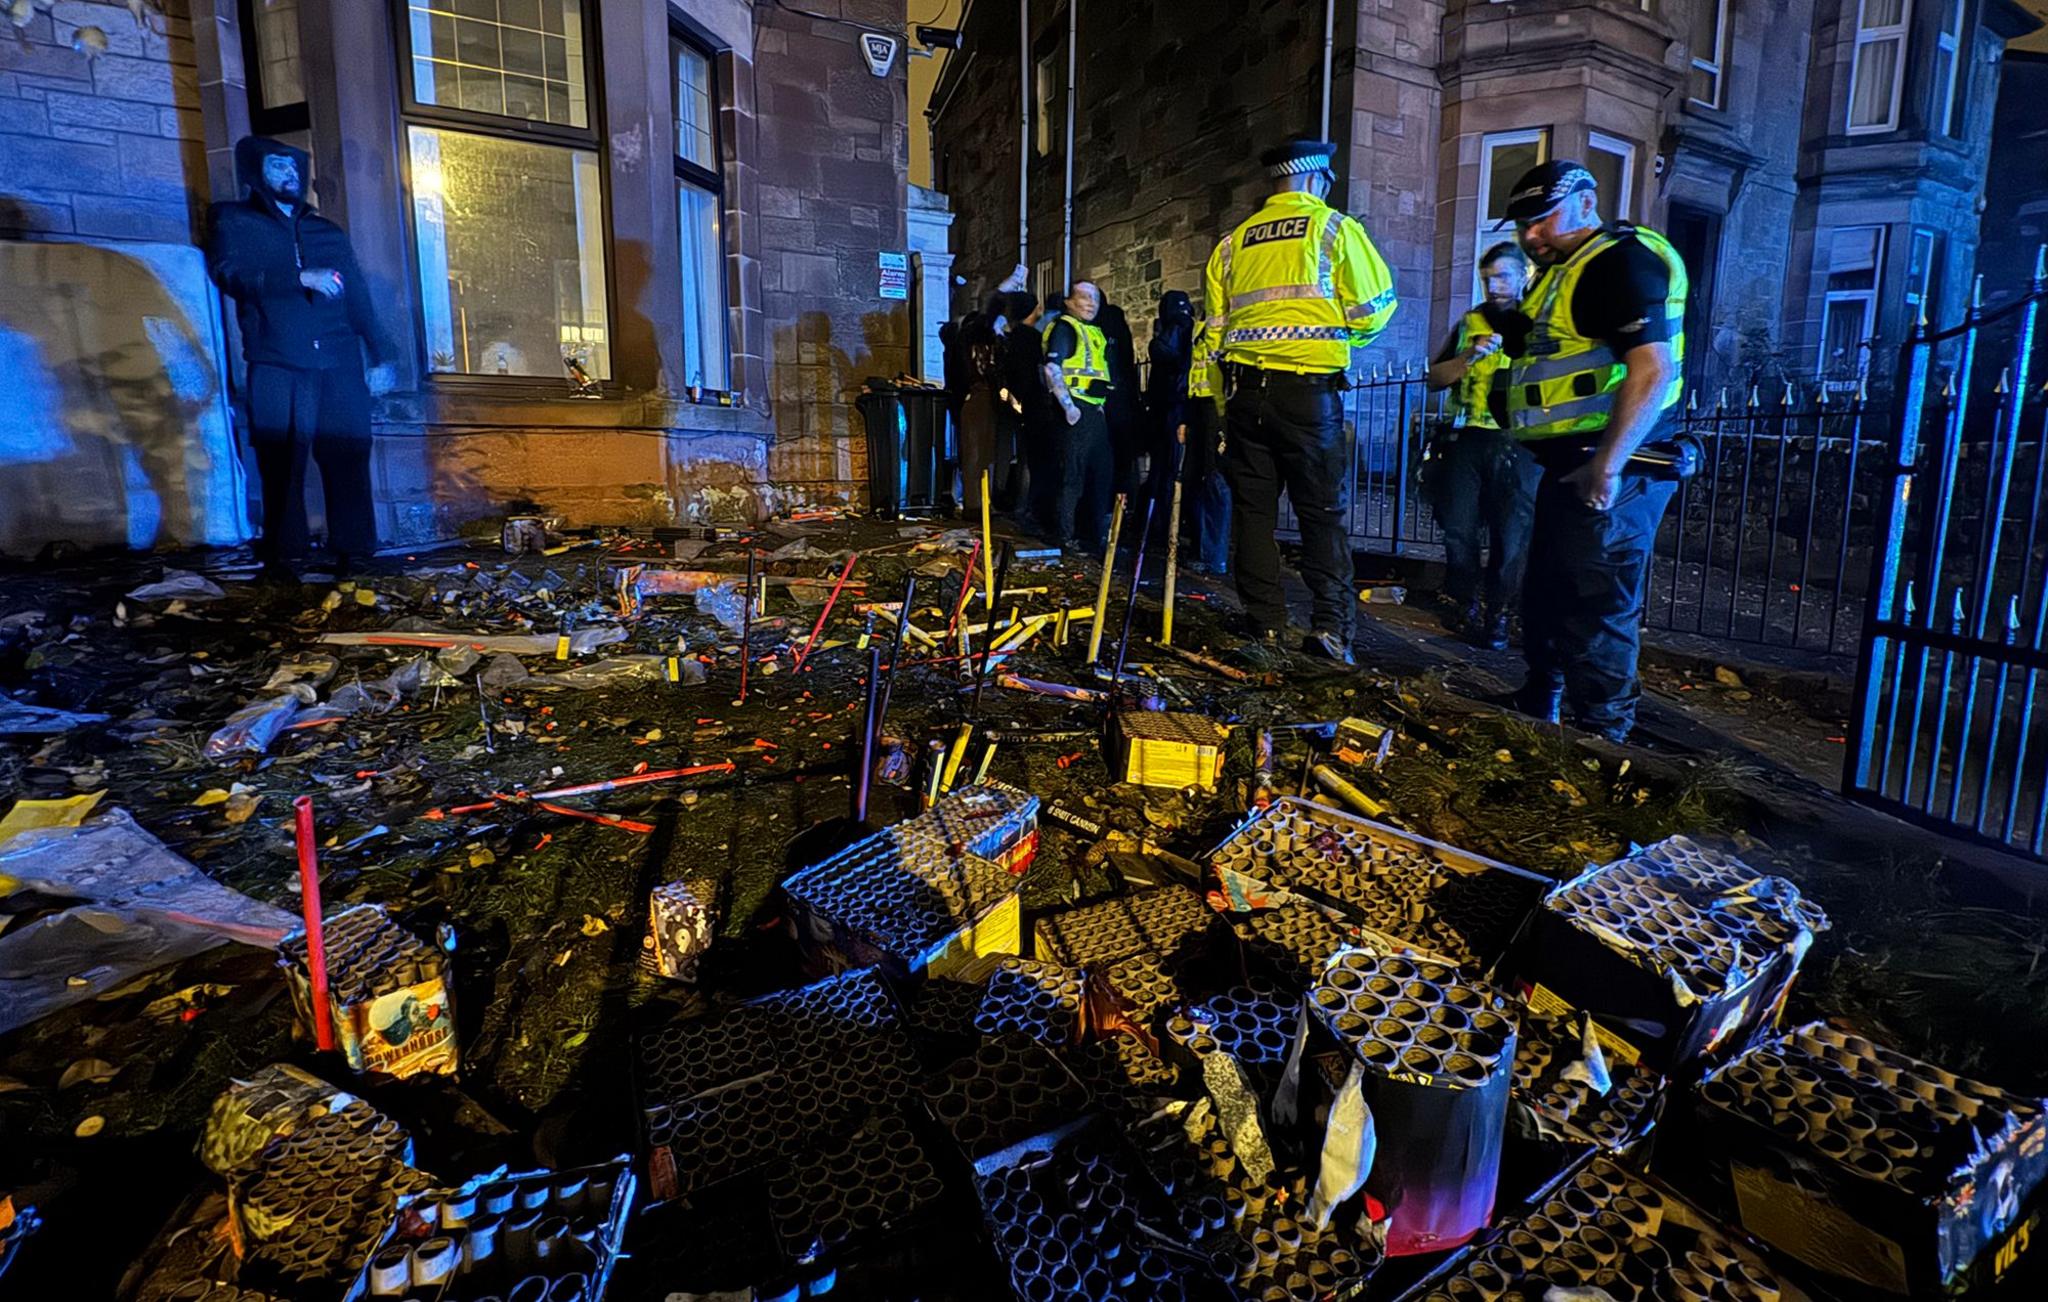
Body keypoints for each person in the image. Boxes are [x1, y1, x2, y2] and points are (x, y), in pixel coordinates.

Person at [1499, 160, 1690, 742]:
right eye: (1523, 225)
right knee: (1549, 592)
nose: (1531, 236)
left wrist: (1606, 466)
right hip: (1570, 463)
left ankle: (1602, 738)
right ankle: (1543, 704)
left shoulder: (1617, 262)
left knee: (1598, 603)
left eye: (1542, 220)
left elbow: (1651, 369)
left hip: (1616, 465)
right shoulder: (1565, 269)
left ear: (1586, 202)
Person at [1202, 138, 1398, 664]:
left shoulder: (1231, 244)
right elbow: (1373, 311)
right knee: (1321, 513)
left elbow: (1216, 334)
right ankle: (1330, 628)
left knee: (1253, 513)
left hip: (1245, 397)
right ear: (1317, 180)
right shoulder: (1334, 229)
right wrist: (1331, 340)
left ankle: (1264, 624)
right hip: (1308, 396)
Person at [207, 136, 396, 580]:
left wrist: (382, 352)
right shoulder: (234, 221)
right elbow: (227, 273)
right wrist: (297, 278)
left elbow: (358, 295)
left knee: (348, 456)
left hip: (339, 359)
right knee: (282, 462)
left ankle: (356, 554)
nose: (289, 173)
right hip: (278, 359)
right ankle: (287, 558)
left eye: (294, 166)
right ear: (256, 171)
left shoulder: (326, 231)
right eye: (278, 165)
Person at [1424, 241, 1539, 650]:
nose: (1494, 286)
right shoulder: (1471, 322)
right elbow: (1435, 377)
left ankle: (1498, 617)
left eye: (1503, 276)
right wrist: (1469, 356)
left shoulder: (1540, 319)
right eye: (1488, 279)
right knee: (1459, 530)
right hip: (1469, 437)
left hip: (1521, 443)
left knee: (1512, 537)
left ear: (1524, 274)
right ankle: (1465, 603)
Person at [1039, 282, 1118, 551]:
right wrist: (1068, 406)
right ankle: (1065, 536)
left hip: (1092, 410)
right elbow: (1052, 369)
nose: (1091, 303)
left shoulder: (1092, 331)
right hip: (1076, 411)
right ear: (1070, 301)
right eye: (1084, 297)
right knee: (1072, 477)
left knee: (1099, 474)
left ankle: (1092, 534)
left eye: (1095, 298)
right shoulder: (1065, 328)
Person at [1142, 290, 1196, 534]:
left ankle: (1160, 525)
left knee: (1165, 469)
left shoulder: (1175, 326)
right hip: (1174, 407)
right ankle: (1164, 524)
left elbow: (1163, 353)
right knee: (1169, 469)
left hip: (1171, 408)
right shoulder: (1188, 326)